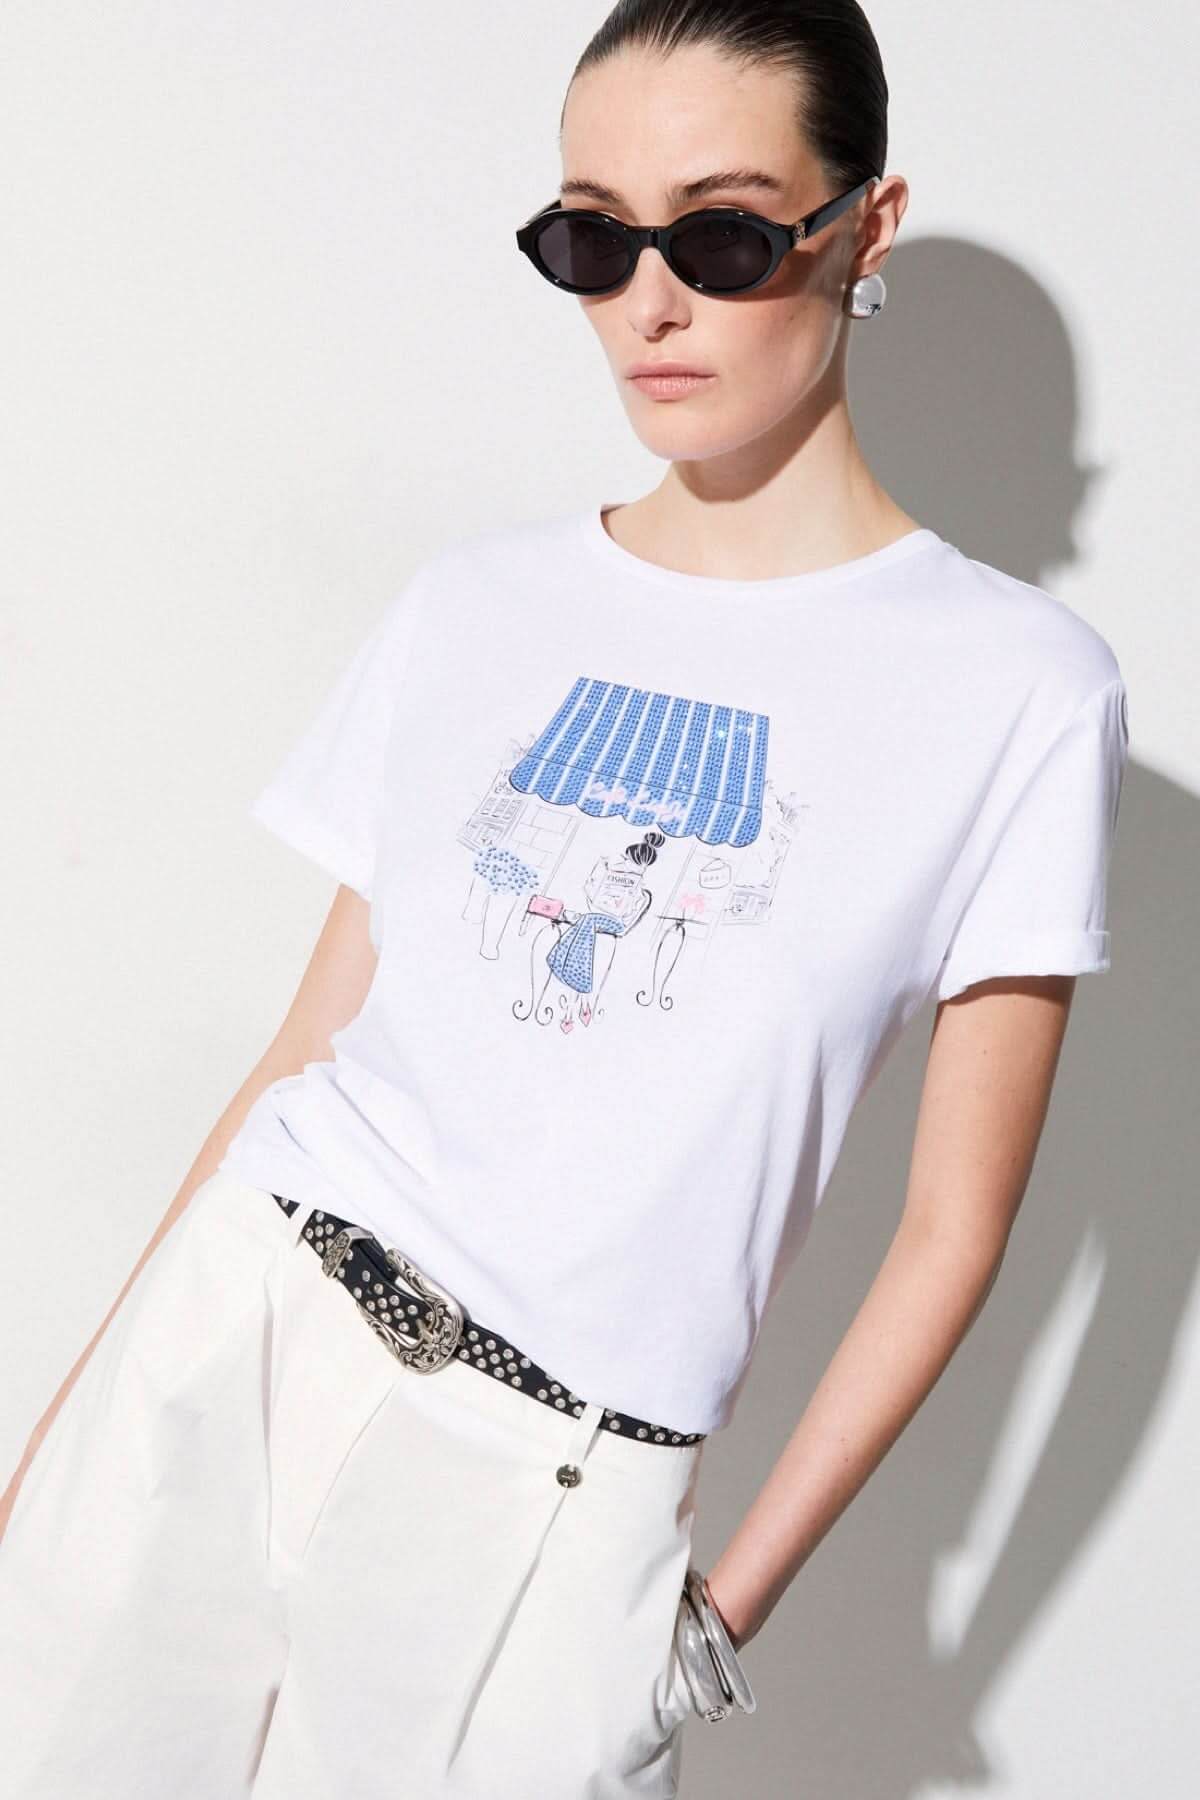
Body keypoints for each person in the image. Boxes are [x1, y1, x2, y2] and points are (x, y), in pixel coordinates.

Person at [0, 3, 1131, 1796]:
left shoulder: (1018, 692)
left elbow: (954, 1232)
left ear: (866, 227)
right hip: (233, 1343)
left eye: (724, 235)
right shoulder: (478, 607)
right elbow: (308, 1047)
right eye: (594, 240)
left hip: (553, 1481)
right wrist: (75, 1426)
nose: (650, 305)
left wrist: (711, 1624)